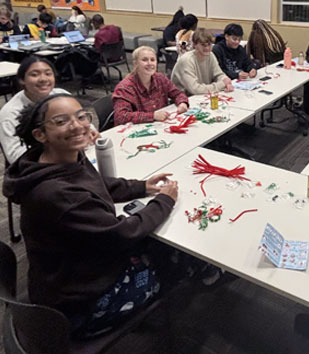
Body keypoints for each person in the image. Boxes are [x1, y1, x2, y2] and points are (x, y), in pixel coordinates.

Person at [2, 93, 179, 338]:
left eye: (81, 116)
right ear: (40, 135)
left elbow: (97, 183)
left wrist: (142, 186)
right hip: (78, 302)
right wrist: (164, 201)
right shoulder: (57, 194)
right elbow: (121, 234)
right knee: (173, 261)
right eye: (62, 121)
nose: (77, 125)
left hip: (73, 269)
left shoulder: (57, 159)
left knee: (156, 240)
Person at [0, 56, 70, 163]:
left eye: (48, 73)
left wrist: (90, 132)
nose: (43, 79)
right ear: (22, 80)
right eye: (34, 75)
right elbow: (16, 157)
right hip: (34, 168)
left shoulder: (62, 95)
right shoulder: (11, 113)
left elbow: (82, 121)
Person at [112, 46, 189, 125]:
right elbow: (121, 117)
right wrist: (153, 116)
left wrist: (182, 103)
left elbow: (177, 93)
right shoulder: (125, 88)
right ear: (135, 64)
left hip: (161, 125)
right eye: (144, 60)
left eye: (152, 60)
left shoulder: (160, 78)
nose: (149, 63)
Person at [170, 28, 233, 96]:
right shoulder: (187, 60)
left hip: (200, 96)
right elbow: (195, 89)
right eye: (203, 45)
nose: (207, 48)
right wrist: (222, 84)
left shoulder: (210, 55)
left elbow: (219, 74)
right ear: (195, 45)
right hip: (183, 99)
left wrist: (226, 81)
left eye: (209, 44)